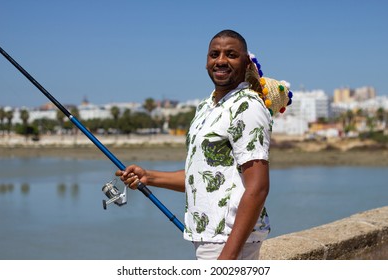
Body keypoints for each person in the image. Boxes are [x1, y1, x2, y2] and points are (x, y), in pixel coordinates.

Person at [116, 29, 291, 260]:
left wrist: (227, 257)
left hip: (228, 240)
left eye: (231, 54)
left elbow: (258, 188)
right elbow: (203, 177)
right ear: (206, 62)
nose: (221, 61)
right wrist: (149, 177)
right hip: (209, 238)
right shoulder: (205, 107)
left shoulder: (247, 107)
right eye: (214, 54)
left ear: (247, 62)